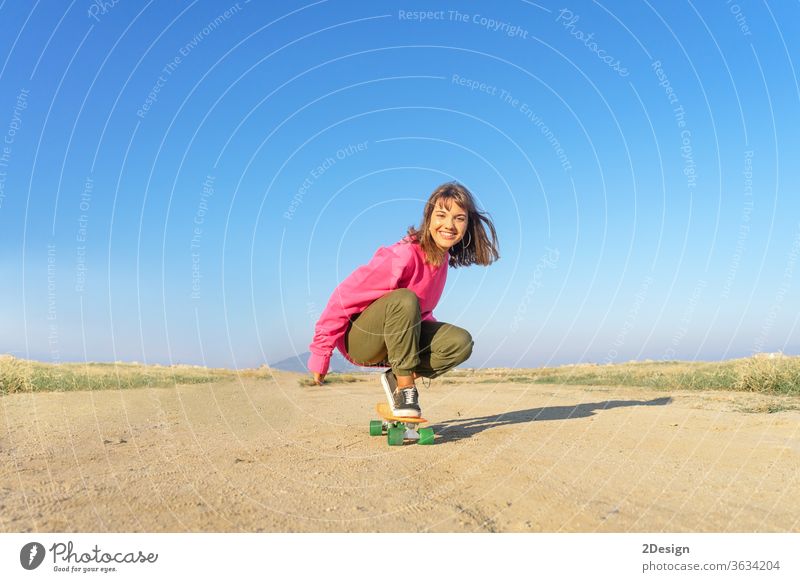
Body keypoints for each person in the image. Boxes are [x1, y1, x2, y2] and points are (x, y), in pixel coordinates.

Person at [307, 182, 499, 417]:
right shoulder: (405, 254)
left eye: (459, 218)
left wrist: (436, 337)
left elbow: (422, 313)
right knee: (405, 299)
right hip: (360, 340)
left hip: (396, 341)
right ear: (428, 218)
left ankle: (396, 376)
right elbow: (344, 297)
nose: (449, 225)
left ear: (467, 224)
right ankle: (406, 389)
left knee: (460, 342)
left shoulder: (442, 261)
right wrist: (321, 353)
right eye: (441, 215)